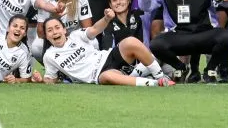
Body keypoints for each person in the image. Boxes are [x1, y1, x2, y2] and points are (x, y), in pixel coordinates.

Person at [42, 12, 172, 87]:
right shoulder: (49, 56)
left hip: (108, 57)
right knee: (108, 76)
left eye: (57, 27)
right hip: (98, 75)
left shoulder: (76, 35)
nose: (54, 32)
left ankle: (160, 75)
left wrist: (106, 19)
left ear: (64, 30)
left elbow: (94, 30)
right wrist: (37, 79)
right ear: (47, 36)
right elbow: (50, 78)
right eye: (50, 30)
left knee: (130, 42)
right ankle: (155, 83)